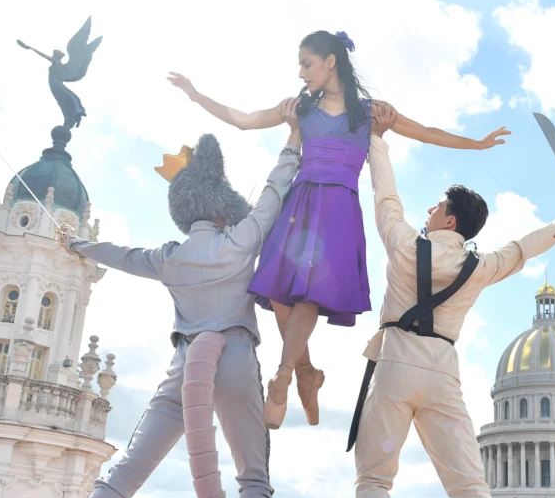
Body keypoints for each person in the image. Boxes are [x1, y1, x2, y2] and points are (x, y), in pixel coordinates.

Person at [168, 30, 511, 430]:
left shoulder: (371, 113)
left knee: (311, 294)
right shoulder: (300, 109)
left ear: (331, 61)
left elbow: (427, 133)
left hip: (339, 208)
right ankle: (306, 371)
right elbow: (244, 121)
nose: (301, 73)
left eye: (306, 63)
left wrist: (478, 144)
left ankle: (283, 373)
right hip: (299, 203)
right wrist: (196, 95)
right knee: (278, 293)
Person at [39, 102, 304, 498]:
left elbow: (118, 255)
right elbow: (272, 194)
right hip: (236, 358)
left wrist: (77, 245)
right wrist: (292, 142)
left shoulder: (169, 256)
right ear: (222, 207)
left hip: (185, 366)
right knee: (253, 475)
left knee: (130, 469)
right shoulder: (241, 239)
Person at [345, 104, 555, 498]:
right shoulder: (479, 267)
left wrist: (378, 139)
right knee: (469, 488)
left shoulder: (403, 246)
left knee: (375, 479)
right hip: (442, 370)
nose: (429, 211)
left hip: (394, 364)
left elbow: (384, 197)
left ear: (450, 219)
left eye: (436, 207)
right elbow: (524, 248)